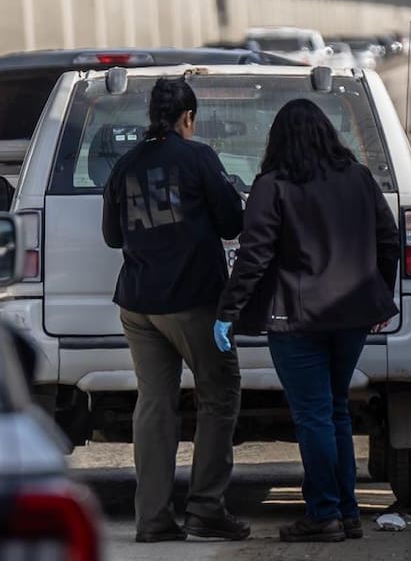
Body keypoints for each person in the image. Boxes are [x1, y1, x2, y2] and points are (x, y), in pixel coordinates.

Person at [215, 99, 399, 544]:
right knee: (335, 410)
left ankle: (324, 514)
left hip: (296, 319)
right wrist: (378, 297)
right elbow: (389, 240)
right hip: (353, 316)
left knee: (314, 415)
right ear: (327, 134)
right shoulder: (358, 178)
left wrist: (227, 312)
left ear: (277, 140)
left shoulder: (272, 185)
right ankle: (346, 512)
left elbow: (254, 254)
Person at [101, 77, 248, 544]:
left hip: (138, 304)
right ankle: (206, 509)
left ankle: (153, 519)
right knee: (219, 393)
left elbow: (112, 237)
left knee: (154, 404)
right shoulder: (199, 157)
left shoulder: (125, 165)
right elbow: (232, 222)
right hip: (192, 301)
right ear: (188, 118)